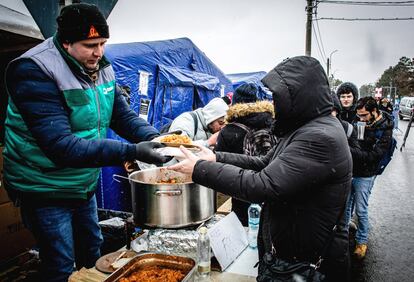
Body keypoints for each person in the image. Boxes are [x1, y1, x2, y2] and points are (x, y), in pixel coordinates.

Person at [2, 4, 169, 281]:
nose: (99, 52)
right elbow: (61, 146)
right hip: (44, 185)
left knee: (93, 254)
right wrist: (132, 151)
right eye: (91, 45)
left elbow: (122, 115)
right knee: (60, 265)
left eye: (103, 43)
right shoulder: (34, 70)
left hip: (82, 184)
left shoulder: (101, 66)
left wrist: (156, 139)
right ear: (66, 42)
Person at [170, 56, 352, 281]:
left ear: (297, 96)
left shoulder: (319, 137)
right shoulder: (307, 128)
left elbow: (263, 184)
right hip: (295, 259)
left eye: (278, 97)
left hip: (303, 267)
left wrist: (199, 169)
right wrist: (215, 158)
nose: (274, 104)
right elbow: (264, 162)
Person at [215, 83, 275, 226]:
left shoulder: (228, 131)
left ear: (234, 103)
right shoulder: (271, 123)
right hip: (269, 192)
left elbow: (220, 167)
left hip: (241, 195)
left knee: (244, 235)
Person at [346, 96, 394, 259]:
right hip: (351, 170)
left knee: (361, 209)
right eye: (359, 115)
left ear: (374, 111)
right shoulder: (359, 120)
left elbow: (375, 155)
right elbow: (353, 141)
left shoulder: (385, 128)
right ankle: (344, 235)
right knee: (346, 206)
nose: (361, 119)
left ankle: (361, 242)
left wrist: (352, 151)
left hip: (366, 174)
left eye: (364, 115)